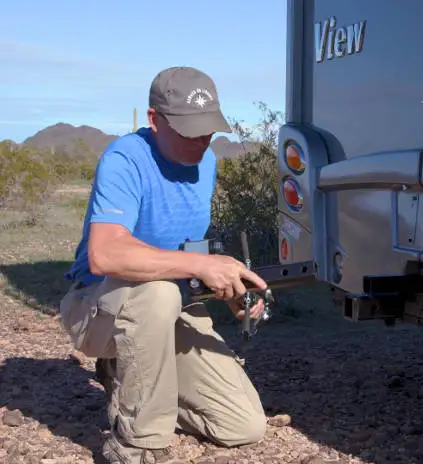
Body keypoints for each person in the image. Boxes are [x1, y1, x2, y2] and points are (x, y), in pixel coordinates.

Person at [58, 66, 270, 464]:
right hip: (97, 305)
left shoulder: (206, 165)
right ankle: (138, 443)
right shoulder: (125, 159)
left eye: (208, 129)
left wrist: (226, 289)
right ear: (154, 120)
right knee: (155, 295)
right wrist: (198, 264)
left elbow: (184, 254)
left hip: (172, 307)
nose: (202, 140)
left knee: (243, 425)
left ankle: (129, 373)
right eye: (189, 130)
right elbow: (106, 255)